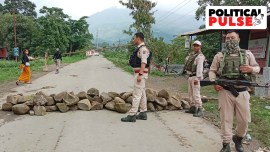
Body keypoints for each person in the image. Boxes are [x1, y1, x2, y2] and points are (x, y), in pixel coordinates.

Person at [209, 30, 260, 152]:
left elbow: (257, 68)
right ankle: (226, 144)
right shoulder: (219, 56)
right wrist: (214, 82)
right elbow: (212, 70)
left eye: (232, 38)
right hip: (225, 91)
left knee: (244, 120)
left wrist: (251, 68)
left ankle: (238, 137)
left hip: (242, 92)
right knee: (226, 119)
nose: (230, 40)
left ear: (238, 40)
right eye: (227, 38)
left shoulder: (247, 54)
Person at [121, 32, 151, 122]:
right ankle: (143, 112)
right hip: (139, 73)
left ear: (138, 38)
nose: (133, 40)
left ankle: (132, 115)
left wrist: (140, 75)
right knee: (142, 94)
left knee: (136, 94)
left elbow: (144, 62)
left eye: (134, 38)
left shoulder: (143, 49)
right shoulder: (140, 48)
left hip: (140, 74)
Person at [183, 40, 205, 117]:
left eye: (197, 46)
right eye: (194, 45)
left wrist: (198, 78)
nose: (195, 47)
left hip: (195, 76)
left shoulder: (200, 56)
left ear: (200, 47)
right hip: (190, 75)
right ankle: (193, 107)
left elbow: (199, 68)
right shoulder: (192, 55)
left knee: (196, 94)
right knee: (190, 93)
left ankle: (200, 108)